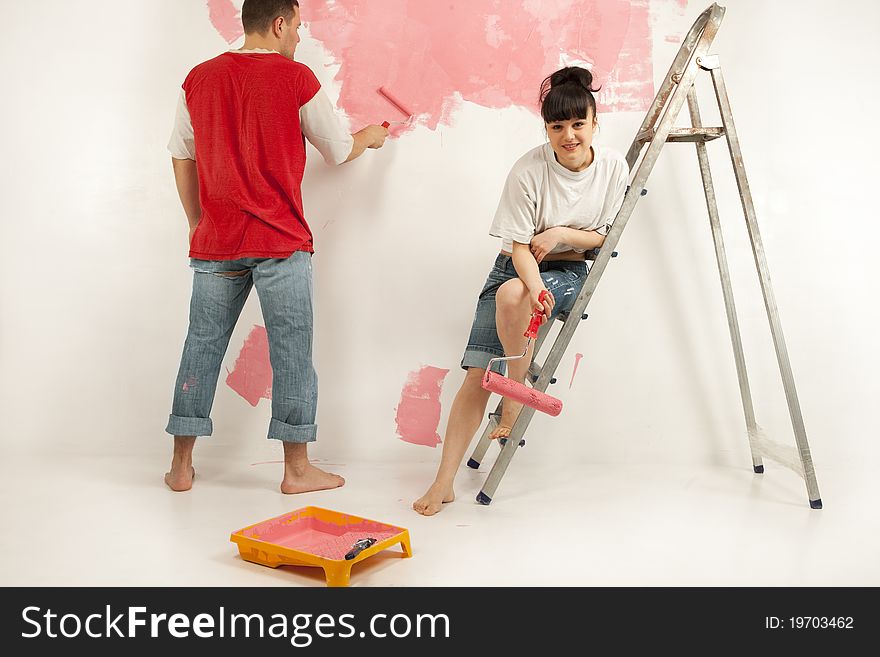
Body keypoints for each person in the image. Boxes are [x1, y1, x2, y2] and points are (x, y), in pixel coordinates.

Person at [164, 0, 388, 493]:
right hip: (281, 241)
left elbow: (182, 156)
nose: (299, 39)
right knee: (291, 353)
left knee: (200, 348)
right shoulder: (295, 78)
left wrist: (196, 220)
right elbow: (335, 148)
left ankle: (181, 466)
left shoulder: (197, 78)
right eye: (298, 28)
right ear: (280, 23)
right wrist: (368, 137)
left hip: (216, 241)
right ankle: (297, 470)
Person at [413, 66, 629, 516]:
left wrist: (562, 232)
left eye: (578, 124)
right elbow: (517, 247)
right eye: (557, 127)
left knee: (512, 297)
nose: (569, 136)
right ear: (546, 128)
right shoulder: (528, 170)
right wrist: (533, 283)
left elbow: (607, 236)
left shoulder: (612, 167)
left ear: (594, 122)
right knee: (477, 372)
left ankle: (511, 400)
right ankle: (443, 482)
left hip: (569, 273)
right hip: (517, 268)